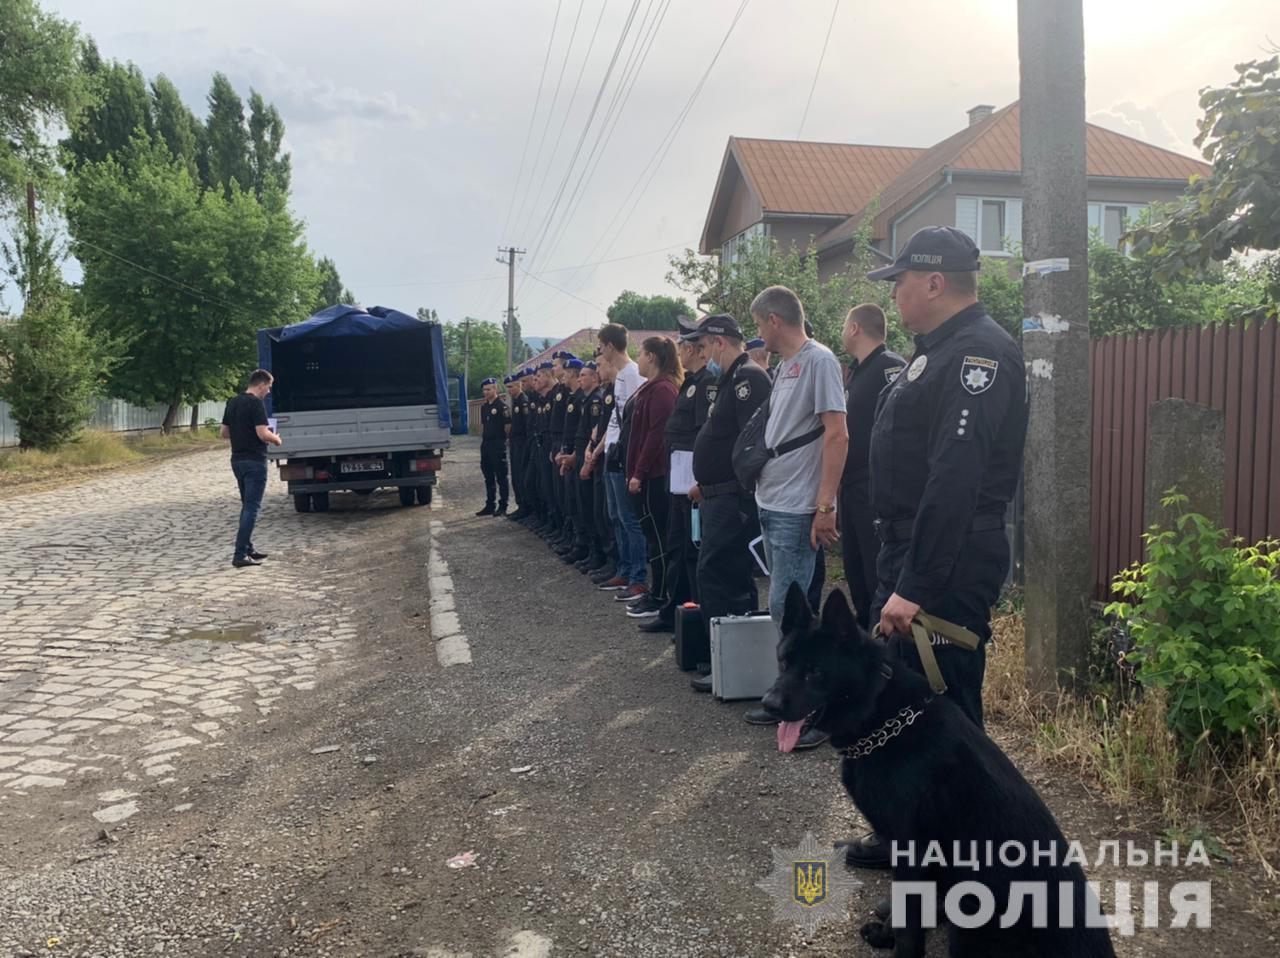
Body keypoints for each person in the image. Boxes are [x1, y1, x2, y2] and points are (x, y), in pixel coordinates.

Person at [842, 225, 1030, 873]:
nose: (892, 294)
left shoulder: (979, 355)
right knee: (904, 710)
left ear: (933, 281)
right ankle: (909, 845)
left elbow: (955, 480)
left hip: (944, 567)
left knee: (943, 728)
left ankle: (957, 877)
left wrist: (914, 585)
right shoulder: (937, 349)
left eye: (898, 281)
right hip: (908, 551)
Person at [741, 285, 848, 744]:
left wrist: (824, 505)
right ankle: (795, 699)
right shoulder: (786, 366)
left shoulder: (818, 360)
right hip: (774, 500)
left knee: (788, 606)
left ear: (773, 321)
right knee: (791, 604)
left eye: (758, 323)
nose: (757, 331)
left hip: (796, 506)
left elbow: (837, 434)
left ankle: (802, 707)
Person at [686, 314, 772, 693]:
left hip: (732, 498)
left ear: (720, 342)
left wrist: (735, 490)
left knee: (722, 575)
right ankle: (720, 655)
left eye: (704, 346)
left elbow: (752, 442)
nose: (702, 354)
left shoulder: (748, 378)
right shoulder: (730, 378)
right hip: (715, 495)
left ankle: (728, 660)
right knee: (717, 574)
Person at [638, 331, 711, 634]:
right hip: (678, 477)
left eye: (683, 346)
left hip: (692, 479)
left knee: (691, 551)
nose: (679, 351)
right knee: (676, 546)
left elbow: (703, 436)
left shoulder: (707, 383)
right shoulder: (691, 382)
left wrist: (699, 479)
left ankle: (691, 616)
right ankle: (675, 611)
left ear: (694, 349)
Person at [839, 304, 906, 629]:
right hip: (851, 488)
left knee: (875, 572)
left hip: (874, 488)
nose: (842, 332)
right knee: (855, 572)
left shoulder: (890, 367)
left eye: (844, 326)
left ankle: (883, 647)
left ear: (854, 328)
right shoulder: (858, 371)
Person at [623, 337, 682, 619]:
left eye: (641, 354)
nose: (638, 359)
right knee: (652, 537)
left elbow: (656, 437)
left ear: (653, 357)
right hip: (644, 475)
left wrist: (639, 473)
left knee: (657, 538)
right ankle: (655, 590)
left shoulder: (663, 390)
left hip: (654, 477)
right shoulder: (650, 388)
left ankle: (660, 595)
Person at [595, 324, 648, 599]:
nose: (599, 350)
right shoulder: (621, 376)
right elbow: (616, 419)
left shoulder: (633, 374)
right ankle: (625, 569)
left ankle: (638, 577)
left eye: (601, 345)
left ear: (610, 346)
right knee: (616, 516)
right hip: (612, 453)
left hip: (624, 456)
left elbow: (636, 420)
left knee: (630, 519)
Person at [220, 369, 283, 568]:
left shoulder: (232, 402)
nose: (269, 392)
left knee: (246, 505)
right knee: (251, 508)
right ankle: (239, 554)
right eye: (269, 387)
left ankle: (248, 548)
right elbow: (262, 434)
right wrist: (277, 439)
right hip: (255, 460)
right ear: (261, 384)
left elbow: (223, 432)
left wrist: (241, 433)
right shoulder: (256, 403)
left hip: (237, 460)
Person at [476, 377, 510, 516]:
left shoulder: (502, 407)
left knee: (501, 477)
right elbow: (484, 426)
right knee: (488, 476)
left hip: (498, 444)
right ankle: (490, 505)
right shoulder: (484, 407)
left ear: (495, 389)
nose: (486, 392)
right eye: (484, 389)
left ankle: (503, 506)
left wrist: (502, 441)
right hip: (486, 444)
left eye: (489, 389)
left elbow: (508, 427)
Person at [506, 373, 531, 520]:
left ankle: (525, 507)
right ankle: (520, 505)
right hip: (515, 443)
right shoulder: (515, 401)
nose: (509, 390)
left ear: (519, 385)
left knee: (521, 475)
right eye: (507, 387)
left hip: (522, 443)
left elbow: (526, 426)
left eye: (511, 386)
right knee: (515, 475)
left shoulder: (523, 401)